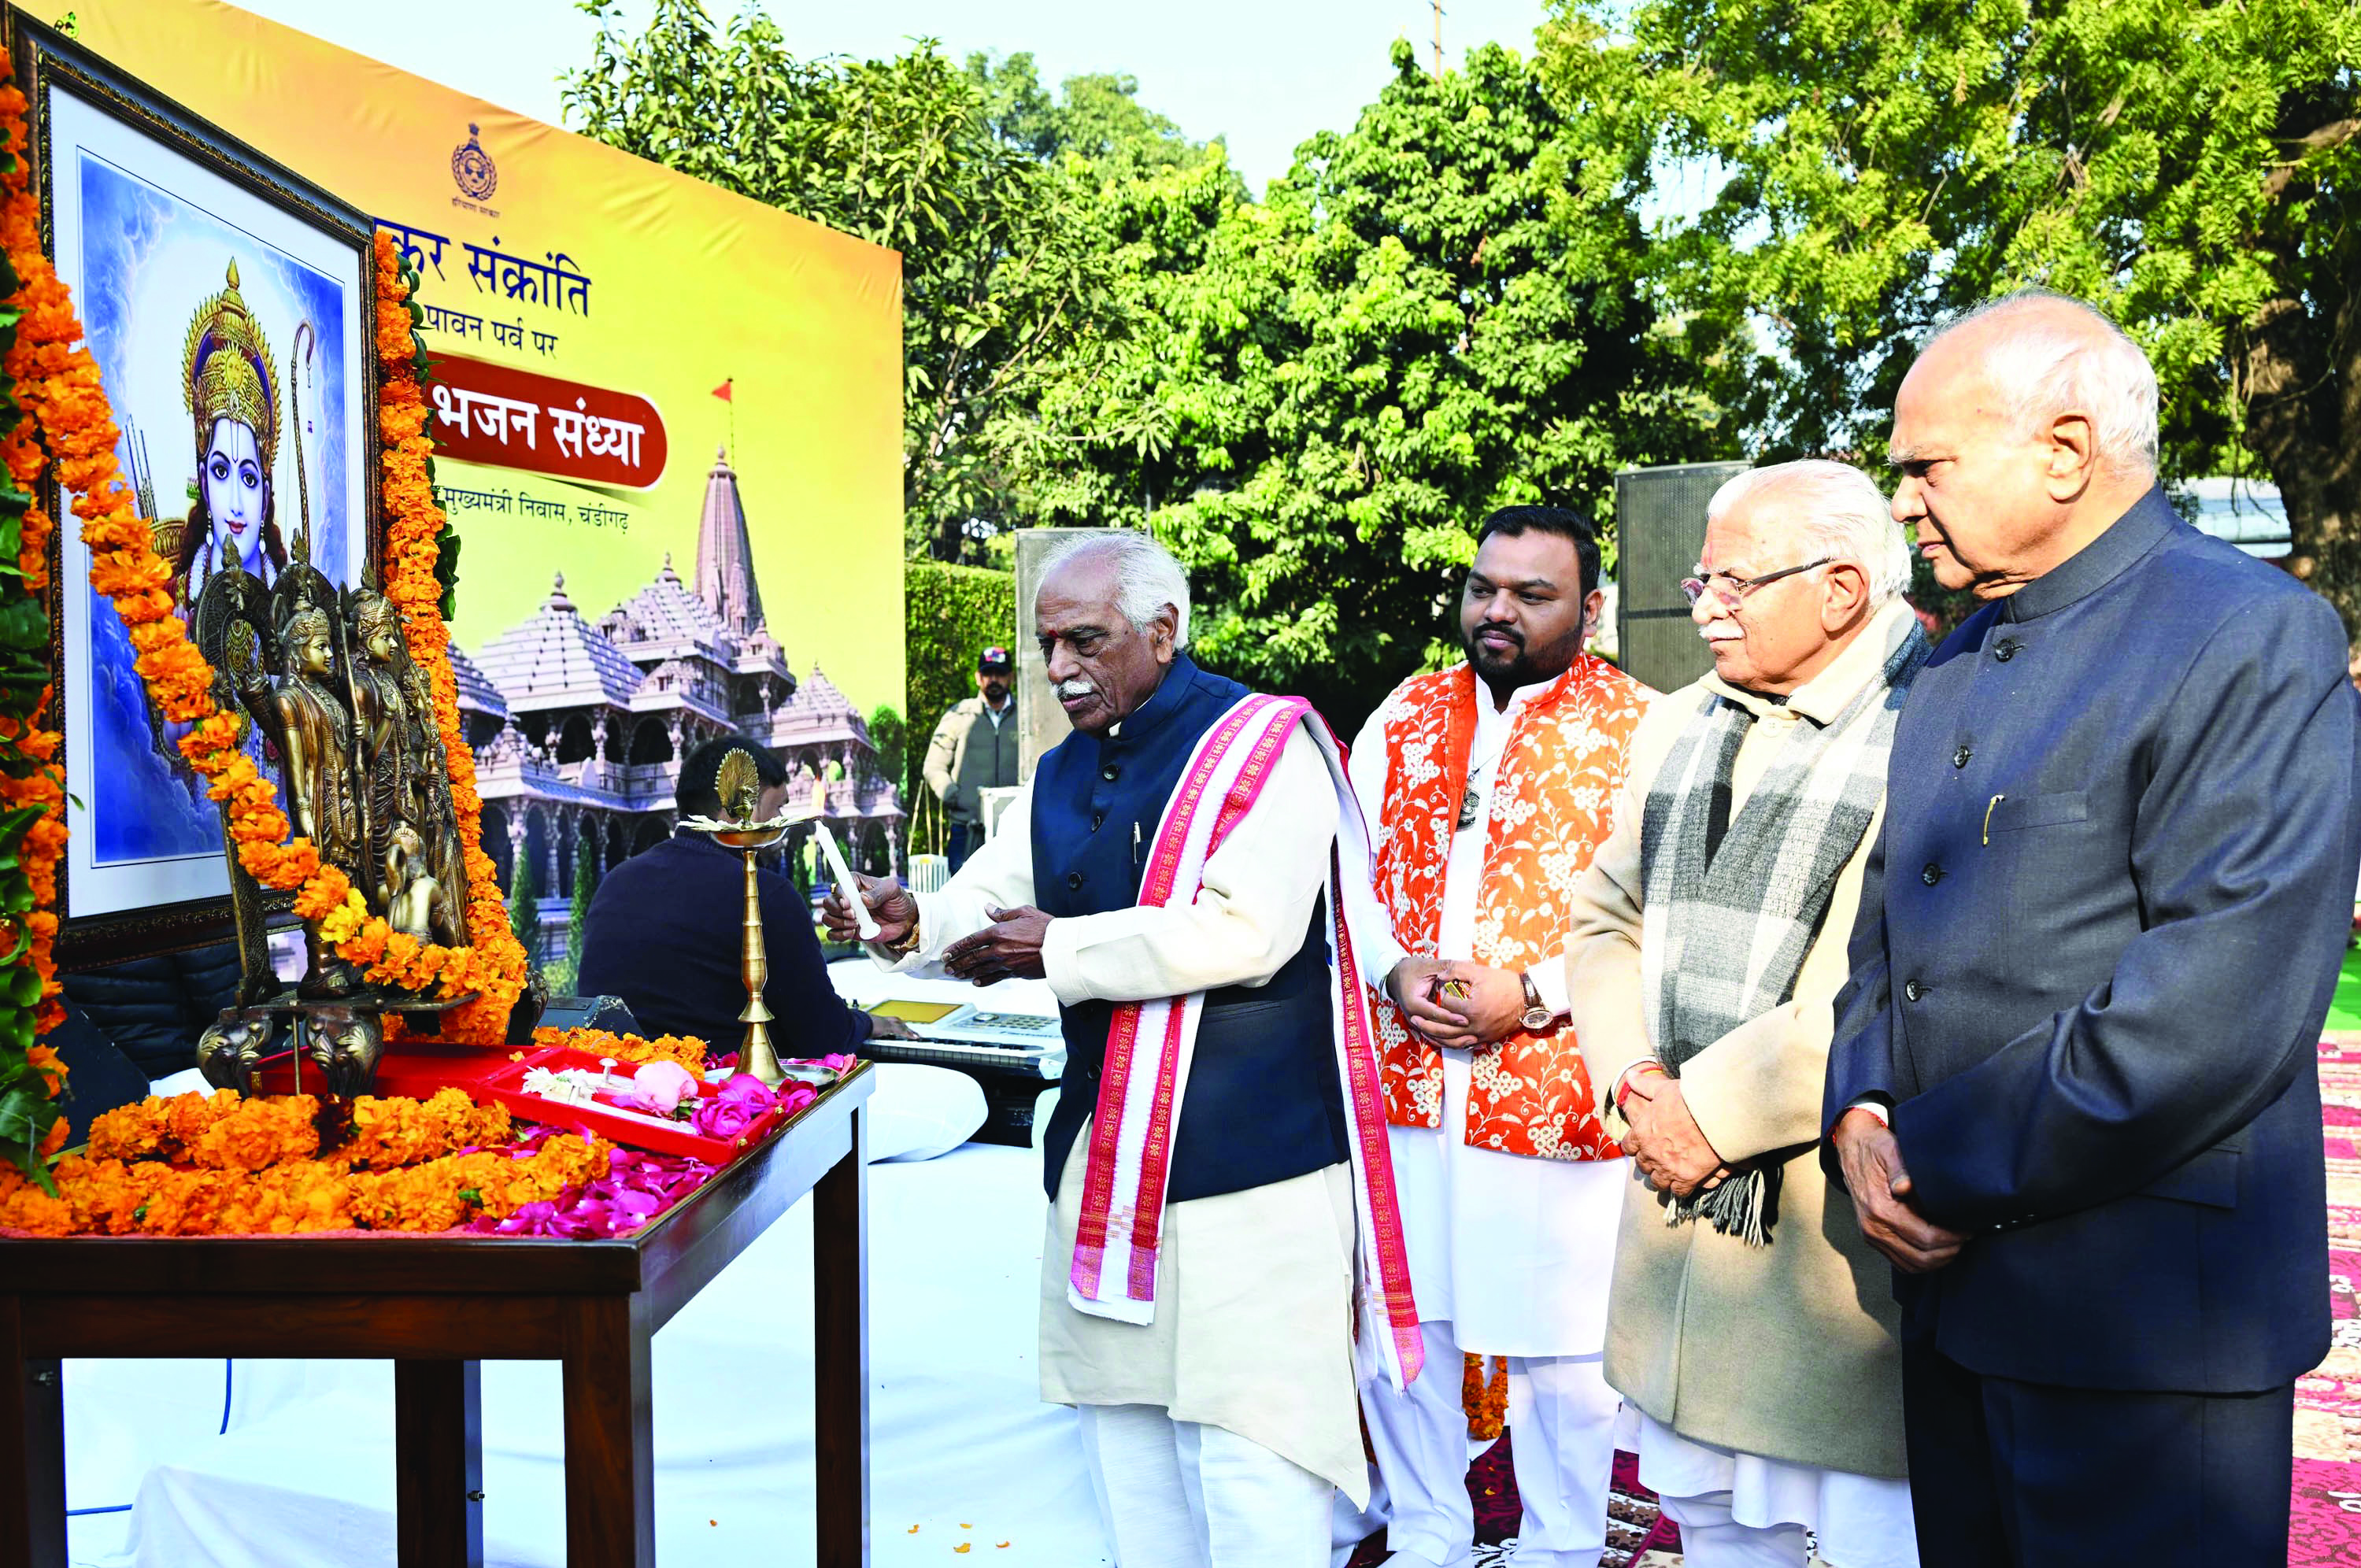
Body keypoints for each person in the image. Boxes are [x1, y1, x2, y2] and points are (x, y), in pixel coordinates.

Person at [1823, 290, 2361, 1566]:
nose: (1901, 501)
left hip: (2142, 1324)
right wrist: (1856, 1104)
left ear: (2062, 451)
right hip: (1951, 1306)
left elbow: (2213, 1001)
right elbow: (1884, 930)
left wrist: (1927, 1158)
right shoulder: (1951, 658)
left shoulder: (2245, 631)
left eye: (1924, 467)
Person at [823, 532, 1419, 1568]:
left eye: (1084, 641)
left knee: (1251, 1456)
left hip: (1252, 1165)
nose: (1058, 668)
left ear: (1161, 631)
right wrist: (909, 918)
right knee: (1128, 1448)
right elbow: (991, 891)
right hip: (1103, 1161)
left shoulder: (1262, 746)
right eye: (1046, 644)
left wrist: (1057, 946)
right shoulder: (1059, 769)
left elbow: (1246, 933)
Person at [1564, 460, 1923, 1568]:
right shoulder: (1678, 723)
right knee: (1713, 1528)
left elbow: (1903, 972)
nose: (1699, 604)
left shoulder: (1938, 722)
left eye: (1733, 582)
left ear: (1840, 589)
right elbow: (1600, 920)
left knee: (1864, 1537)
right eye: (1697, 578)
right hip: (1679, 1214)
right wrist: (1636, 1088)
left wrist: (1704, 1114)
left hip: (1823, 1237)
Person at [1342, 505, 1650, 1568]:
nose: (1498, 611)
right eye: (1484, 588)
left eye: (1531, 594)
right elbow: (1349, 869)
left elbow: (1661, 909)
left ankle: (1561, 1548)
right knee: (1409, 1323)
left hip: (1555, 1080)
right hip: (1411, 1075)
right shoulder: (1405, 712)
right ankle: (1426, 1529)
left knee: (1558, 1345)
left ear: (1590, 608)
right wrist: (1393, 967)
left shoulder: (1644, 725)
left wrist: (1532, 989)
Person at [575, 736, 910, 1054]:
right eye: (776, 808)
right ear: (736, 805)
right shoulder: (766, 893)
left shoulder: (616, 881)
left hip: (614, 1089)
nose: (781, 825)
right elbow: (822, 1035)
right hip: (727, 1100)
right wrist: (866, 1023)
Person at [922, 645, 1021, 870]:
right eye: (988, 673)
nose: (994, 679)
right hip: (967, 830)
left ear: (1011, 677)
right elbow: (933, 766)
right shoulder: (959, 714)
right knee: (965, 901)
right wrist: (955, 797)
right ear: (978, 677)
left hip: (1018, 830)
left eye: (1000, 673)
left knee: (1018, 901)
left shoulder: (1027, 716)